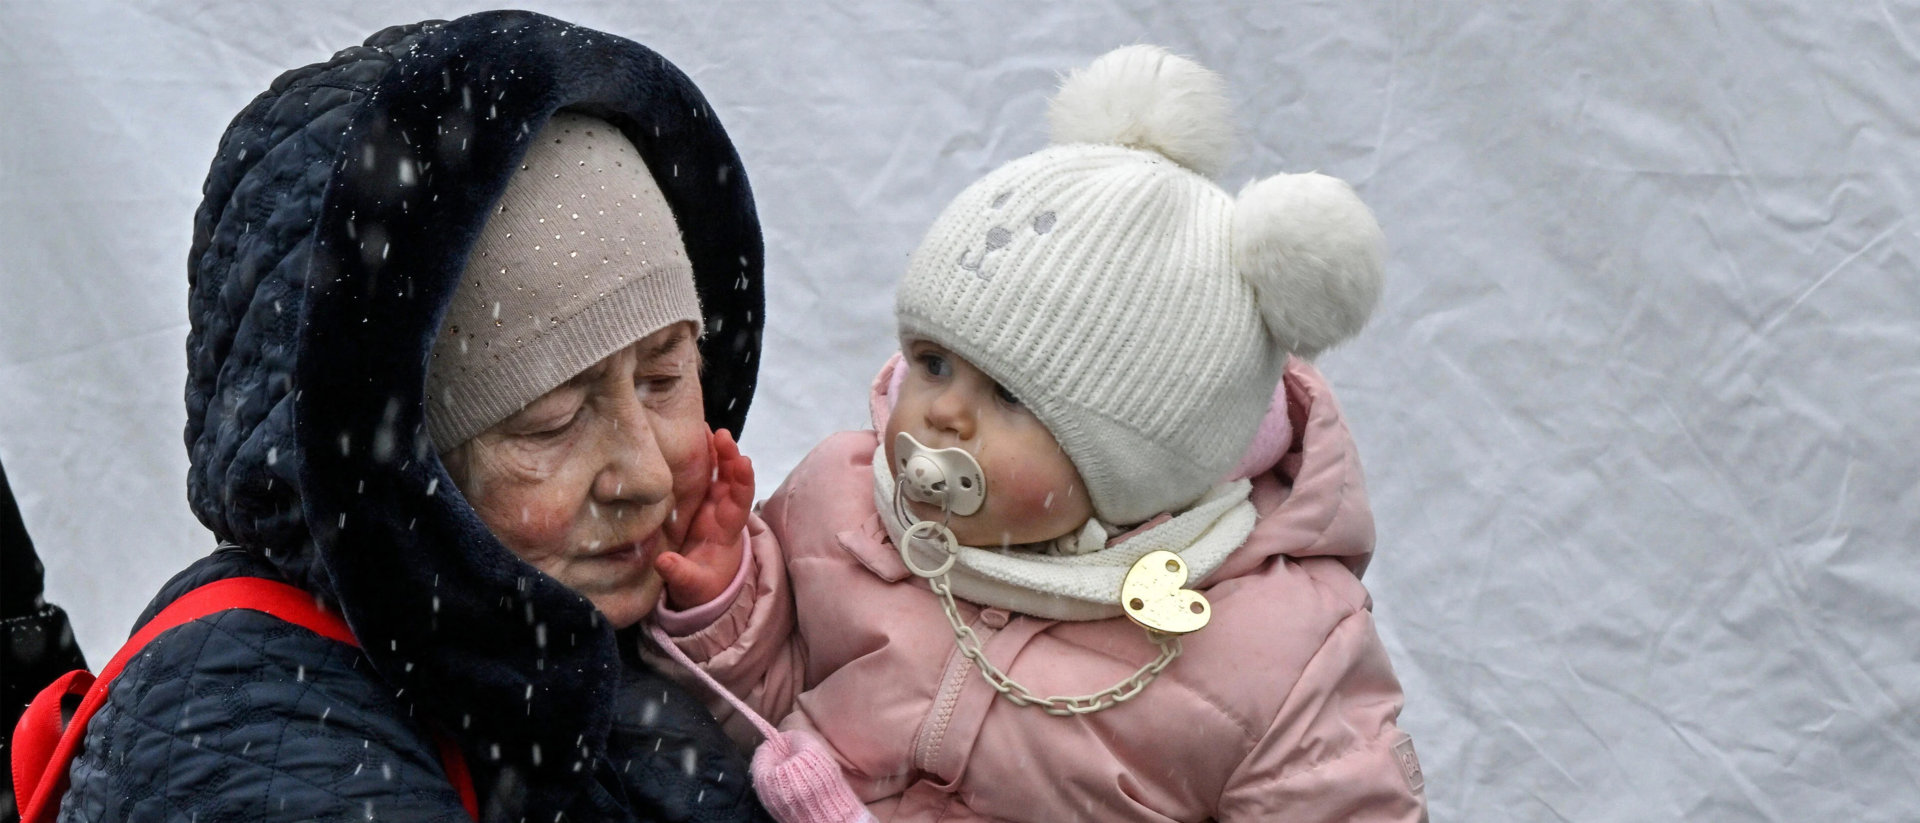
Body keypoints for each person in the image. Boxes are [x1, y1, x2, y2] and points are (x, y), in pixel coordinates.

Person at [653, 46, 1429, 821]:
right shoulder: (842, 502)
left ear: (1140, 463)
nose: (942, 413)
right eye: (932, 361)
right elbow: (768, 706)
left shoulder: (1276, 649)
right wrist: (727, 601)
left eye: (1009, 395)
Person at [54, 12, 774, 822]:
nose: (643, 474)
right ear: (403, 466)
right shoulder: (255, 731)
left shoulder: (685, 621)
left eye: (666, 375)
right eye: (551, 421)